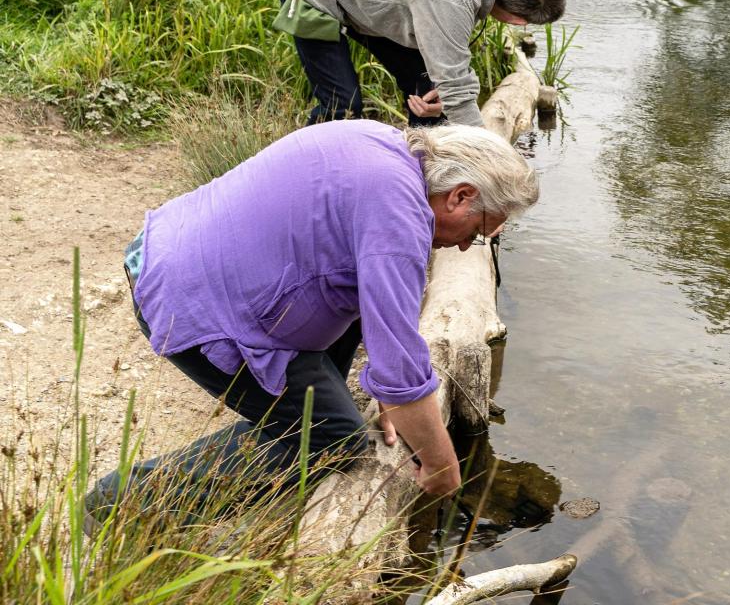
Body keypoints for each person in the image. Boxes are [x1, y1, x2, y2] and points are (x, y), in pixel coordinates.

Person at [86, 120, 539, 528]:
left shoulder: (384, 144)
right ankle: (121, 503)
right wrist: (441, 465)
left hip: (172, 249)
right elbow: (400, 370)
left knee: (333, 396)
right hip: (194, 308)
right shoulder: (398, 219)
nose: (466, 248)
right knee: (333, 442)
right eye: (478, 233)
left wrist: (393, 398)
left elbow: (381, 311)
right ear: (460, 195)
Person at [276, 0, 565, 128]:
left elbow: (450, 73)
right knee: (343, 107)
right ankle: (311, 173)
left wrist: (450, 94)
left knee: (426, 89)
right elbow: (456, 88)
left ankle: (423, 181)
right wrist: (489, 157)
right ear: (518, 21)